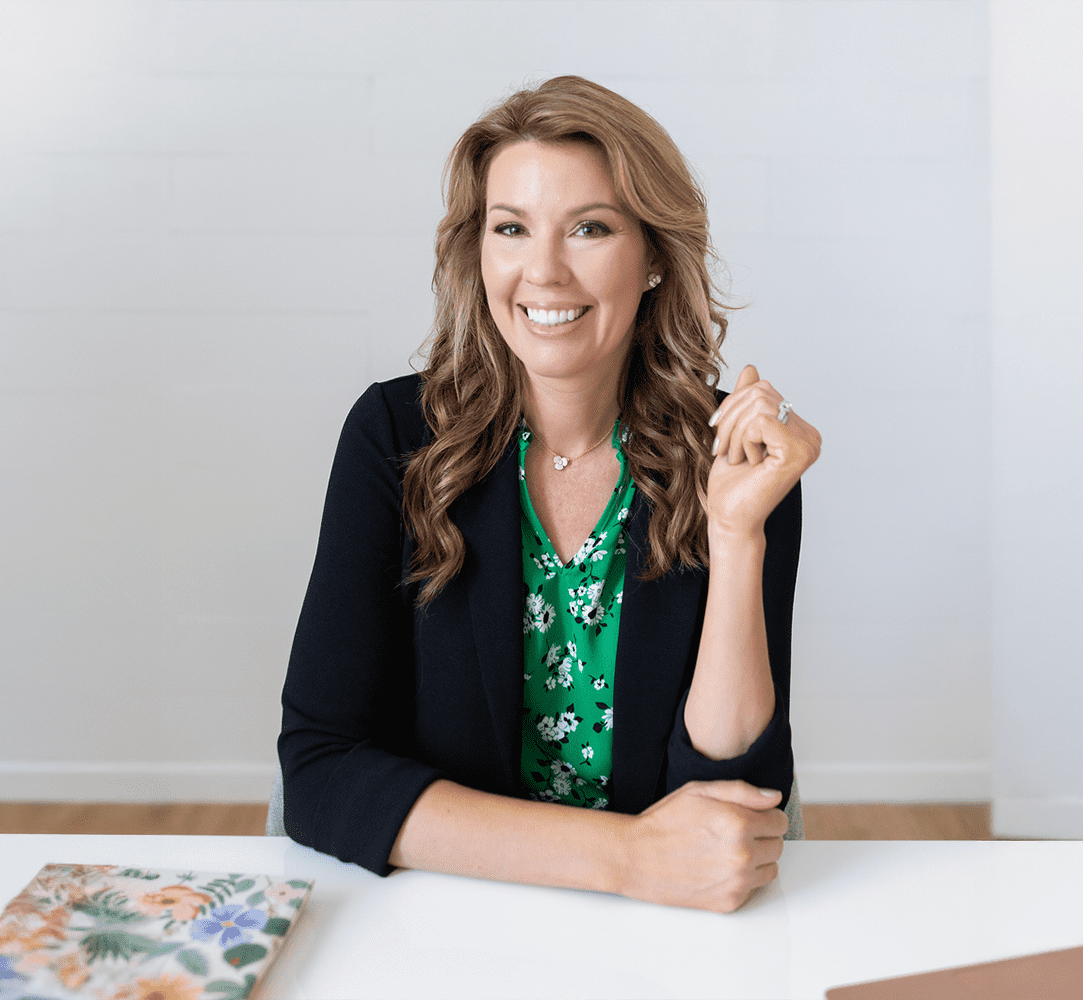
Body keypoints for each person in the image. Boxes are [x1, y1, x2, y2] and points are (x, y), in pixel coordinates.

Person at [278, 76, 822, 913]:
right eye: (511, 229)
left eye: (591, 229)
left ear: (651, 260)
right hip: (444, 910)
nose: (543, 271)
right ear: (479, 251)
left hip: (661, 934)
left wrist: (739, 533)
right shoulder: (394, 435)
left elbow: (733, 801)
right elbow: (320, 769)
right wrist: (626, 857)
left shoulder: (736, 454)